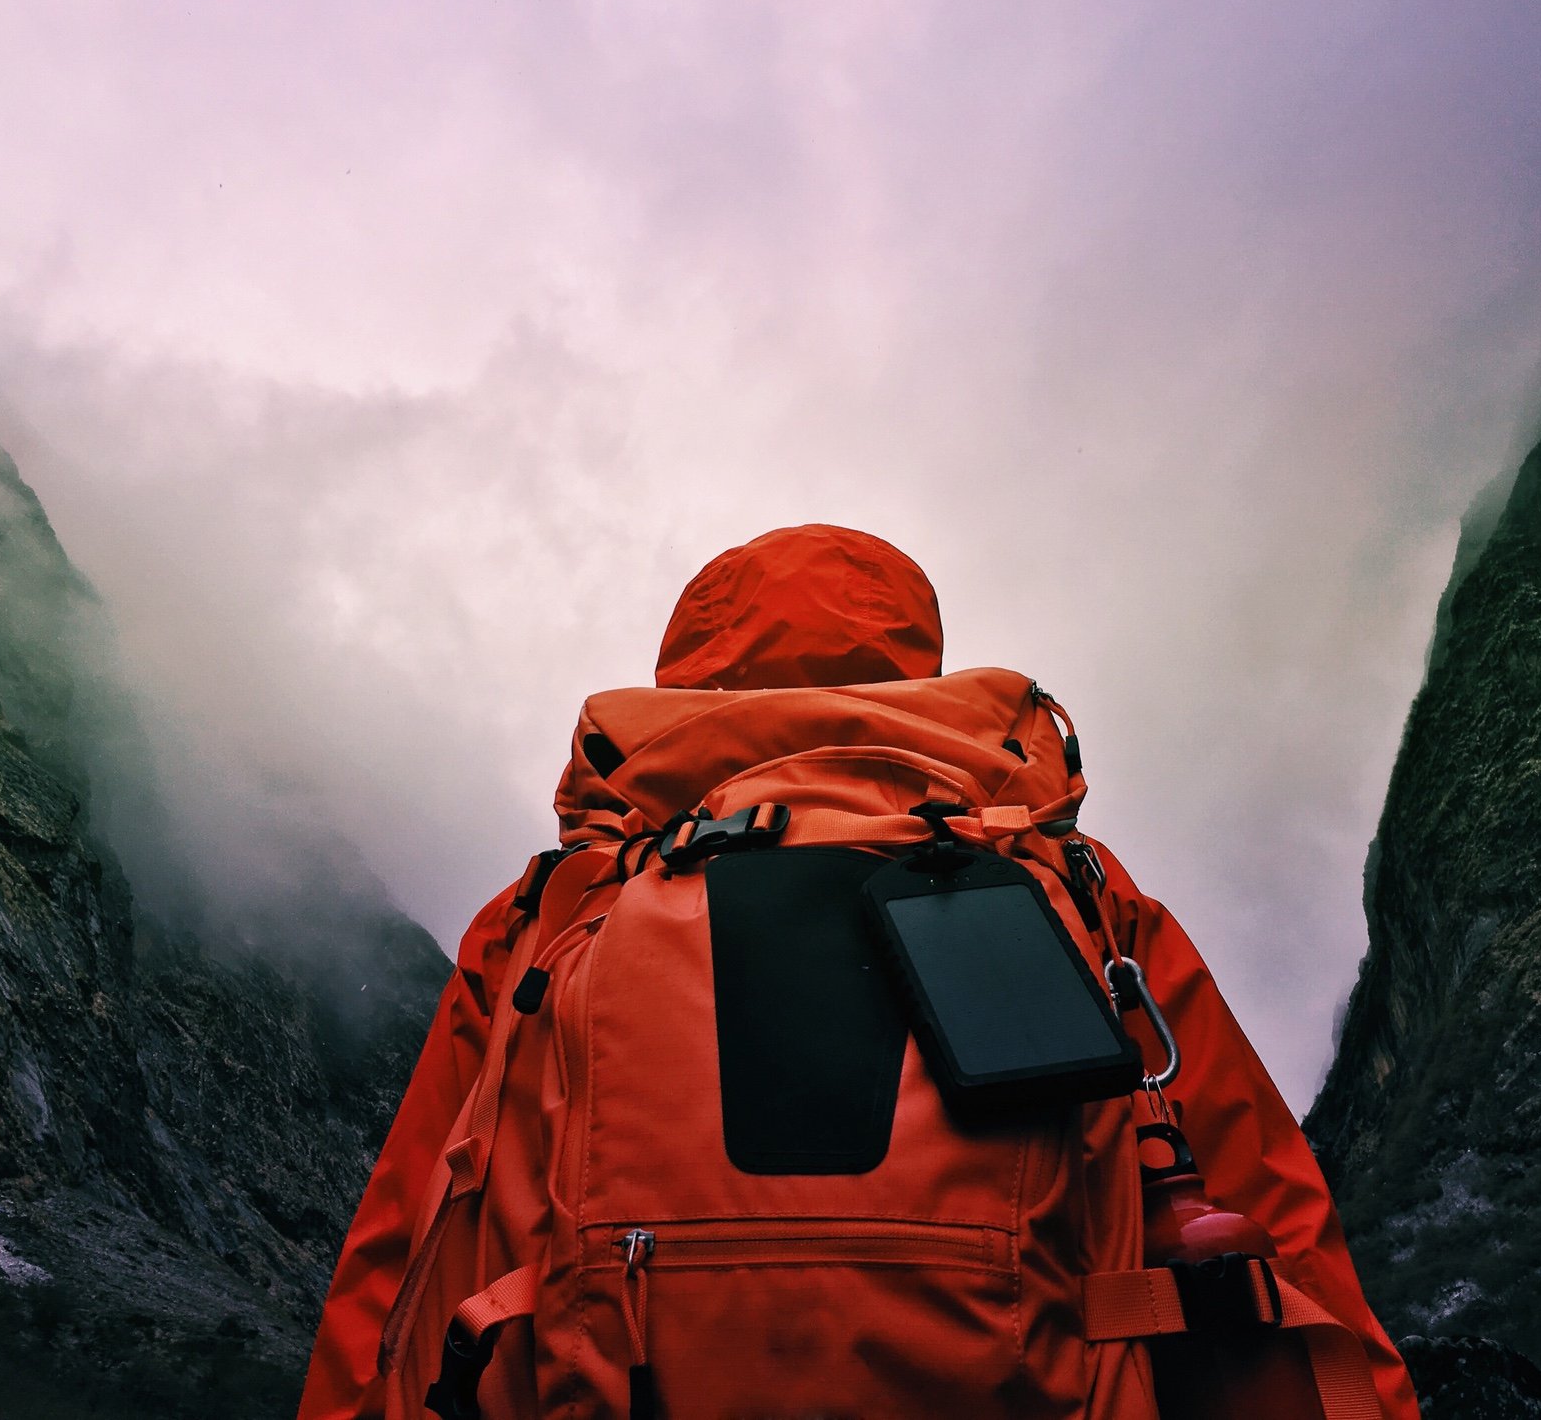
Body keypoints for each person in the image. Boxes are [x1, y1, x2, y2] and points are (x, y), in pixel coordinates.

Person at [297, 523, 1418, 1420]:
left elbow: (405, 1256)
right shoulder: (1069, 881)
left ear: (685, 675)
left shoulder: (562, 900)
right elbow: (1267, 1210)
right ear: (914, 658)